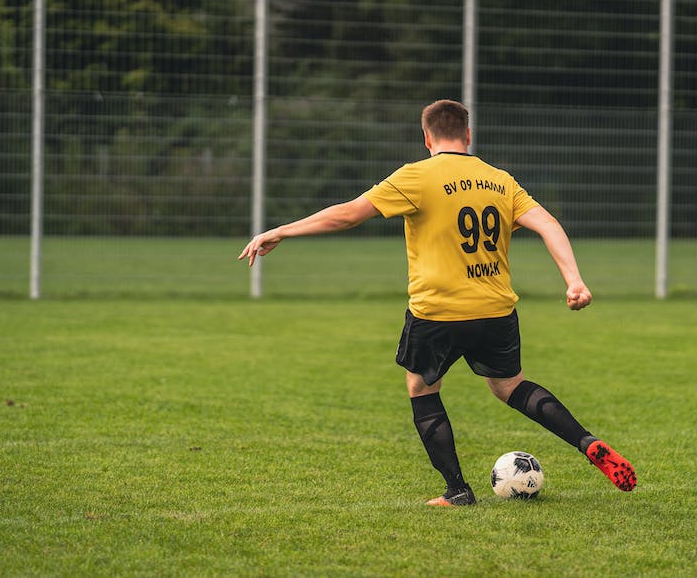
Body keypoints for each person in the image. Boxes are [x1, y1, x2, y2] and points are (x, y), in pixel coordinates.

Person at [238, 99, 636, 506]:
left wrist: (283, 230)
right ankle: (587, 442)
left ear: (427, 137)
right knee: (510, 386)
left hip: (438, 311)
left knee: (421, 387)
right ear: (468, 135)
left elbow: (348, 215)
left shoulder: (416, 176)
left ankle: (457, 490)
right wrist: (574, 281)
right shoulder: (500, 180)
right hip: (495, 309)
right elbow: (548, 224)